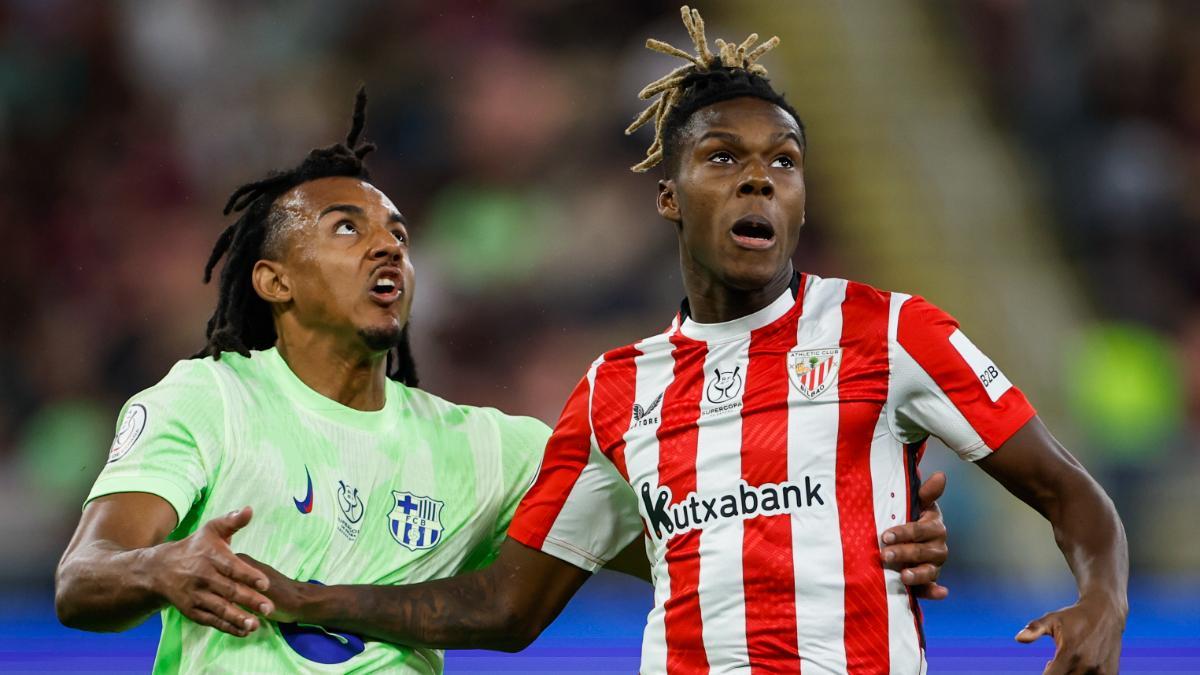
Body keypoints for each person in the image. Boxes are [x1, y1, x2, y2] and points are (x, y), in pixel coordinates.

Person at [242, 7, 1127, 675]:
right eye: (722, 158)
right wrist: (310, 598)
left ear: (803, 198)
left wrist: (1103, 598)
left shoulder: (890, 332)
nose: (758, 178)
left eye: (783, 161)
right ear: (669, 195)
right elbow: (507, 605)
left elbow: (1069, 491)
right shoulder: (615, 391)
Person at [53, 89, 954, 673]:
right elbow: (82, 580)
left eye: (400, 235)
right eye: (344, 228)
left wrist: (861, 529)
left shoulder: (490, 447)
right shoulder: (207, 400)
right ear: (273, 280)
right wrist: (161, 566)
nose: (386, 247)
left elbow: (707, 537)